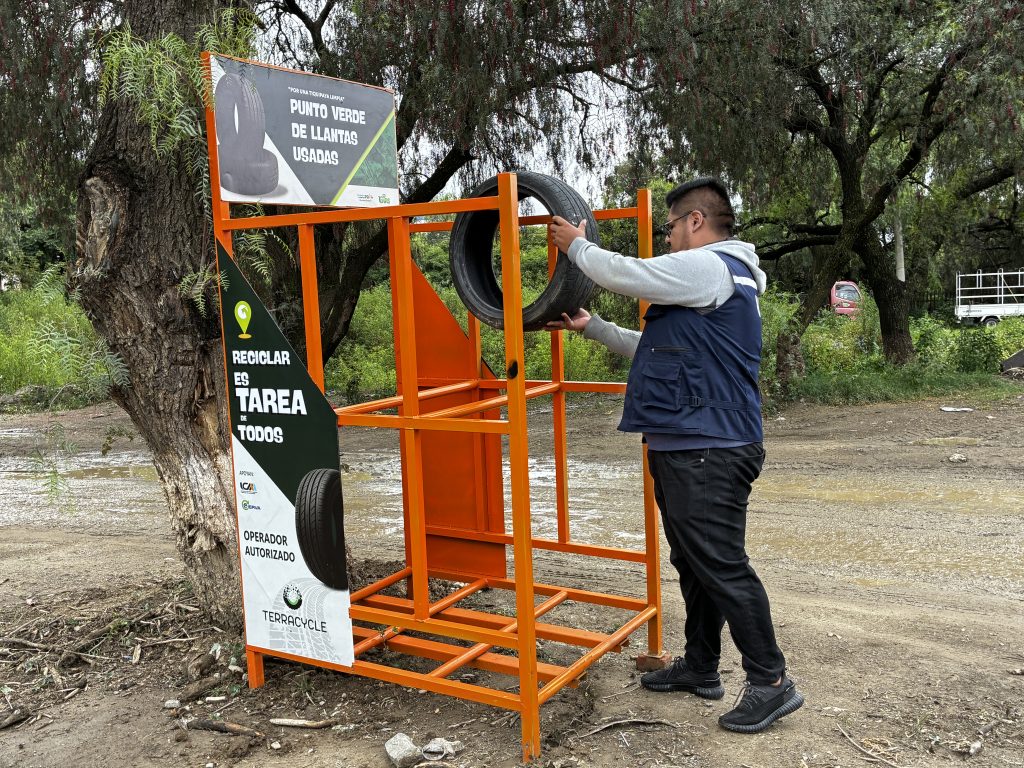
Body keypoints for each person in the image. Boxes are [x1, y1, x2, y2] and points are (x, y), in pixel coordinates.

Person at [547, 177, 803, 734]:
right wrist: (595, 328)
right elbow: (657, 349)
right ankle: (702, 666)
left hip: (709, 446)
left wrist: (577, 246)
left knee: (721, 563)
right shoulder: (711, 283)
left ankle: (771, 680)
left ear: (695, 221)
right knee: (693, 560)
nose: (666, 238)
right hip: (686, 443)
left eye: (669, 227)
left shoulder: (711, 265)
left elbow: (628, 274)